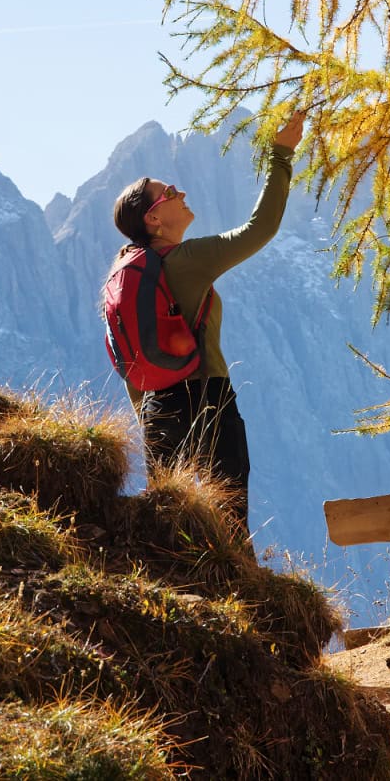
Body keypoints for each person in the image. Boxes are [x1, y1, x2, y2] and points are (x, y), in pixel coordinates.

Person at [109, 109, 306, 539]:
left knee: (169, 526)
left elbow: (130, 359)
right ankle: (246, 602)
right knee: (230, 525)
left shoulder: (126, 274)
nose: (181, 193)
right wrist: (281, 155)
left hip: (158, 408)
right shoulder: (187, 261)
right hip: (208, 399)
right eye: (170, 193)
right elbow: (260, 229)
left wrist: (149, 418)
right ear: (153, 220)